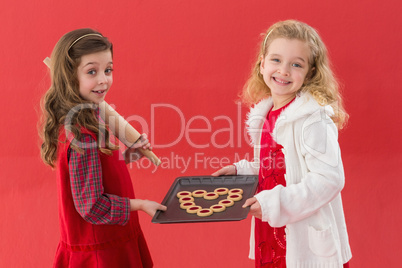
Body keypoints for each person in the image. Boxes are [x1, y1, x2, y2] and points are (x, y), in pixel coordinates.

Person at [212, 20, 352, 267]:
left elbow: (329, 179)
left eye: (296, 64)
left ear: (310, 73)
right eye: (276, 60)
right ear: (262, 63)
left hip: (303, 240)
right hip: (271, 233)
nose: (284, 70)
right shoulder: (267, 115)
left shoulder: (312, 118)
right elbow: (275, 167)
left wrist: (273, 203)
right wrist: (242, 172)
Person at [39, 28, 166, 268]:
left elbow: (92, 172)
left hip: (111, 242)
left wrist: (125, 157)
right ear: (68, 76)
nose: (103, 80)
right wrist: (140, 204)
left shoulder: (86, 119)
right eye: (91, 71)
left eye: (108, 70)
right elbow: (92, 206)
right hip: (100, 256)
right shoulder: (80, 134)